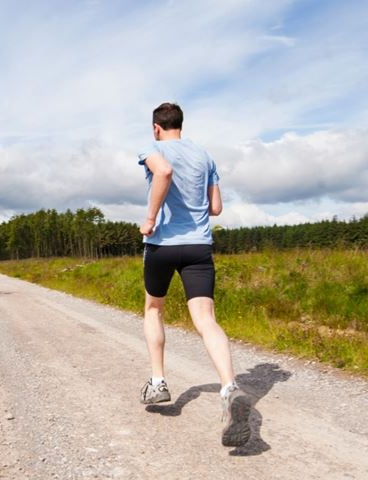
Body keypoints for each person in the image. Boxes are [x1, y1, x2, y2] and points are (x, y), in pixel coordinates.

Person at [136, 102, 251, 447]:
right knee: (205, 319)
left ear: (156, 127)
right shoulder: (204, 156)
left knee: (154, 308)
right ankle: (230, 387)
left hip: (162, 245)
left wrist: (151, 218)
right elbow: (215, 207)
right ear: (180, 125)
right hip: (199, 246)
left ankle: (158, 382)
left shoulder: (152, 149)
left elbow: (164, 172)